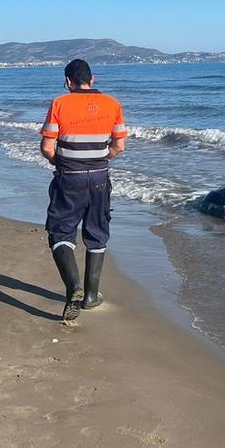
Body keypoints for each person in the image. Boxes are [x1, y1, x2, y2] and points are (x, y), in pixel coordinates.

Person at [40, 58, 127, 321]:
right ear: (93, 79)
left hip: (69, 177)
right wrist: (101, 160)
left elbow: (47, 148)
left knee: (60, 231)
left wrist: (64, 162)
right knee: (97, 232)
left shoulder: (59, 103)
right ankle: (91, 295)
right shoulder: (113, 104)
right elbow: (119, 146)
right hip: (100, 177)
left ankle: (73, 287)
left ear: (68, 82)